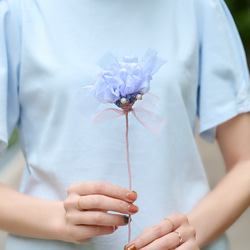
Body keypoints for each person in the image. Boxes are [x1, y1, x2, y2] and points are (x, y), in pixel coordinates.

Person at [0, 0, 250, 249]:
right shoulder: (17, 9)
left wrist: (193, 230)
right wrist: (57, 218)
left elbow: (245, 161)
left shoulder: (199, 6)